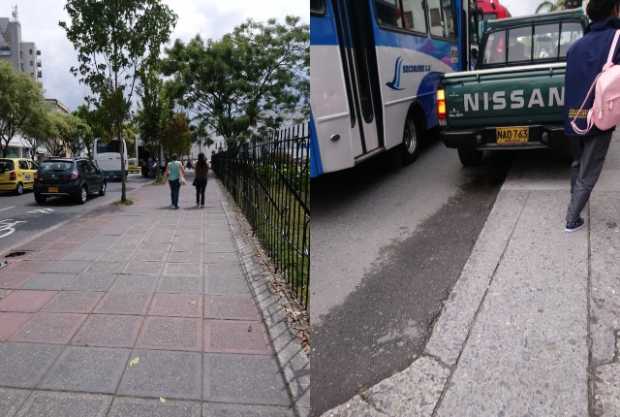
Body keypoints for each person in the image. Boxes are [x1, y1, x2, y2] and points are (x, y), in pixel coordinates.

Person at [564, 0, 620, 232]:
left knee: (578, 163)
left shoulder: (575, 46)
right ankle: (571, 219)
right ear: (614, 10)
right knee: (590, 169)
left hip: (574, 116)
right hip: (599, 116)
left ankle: (572, 202)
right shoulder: (616, 38)